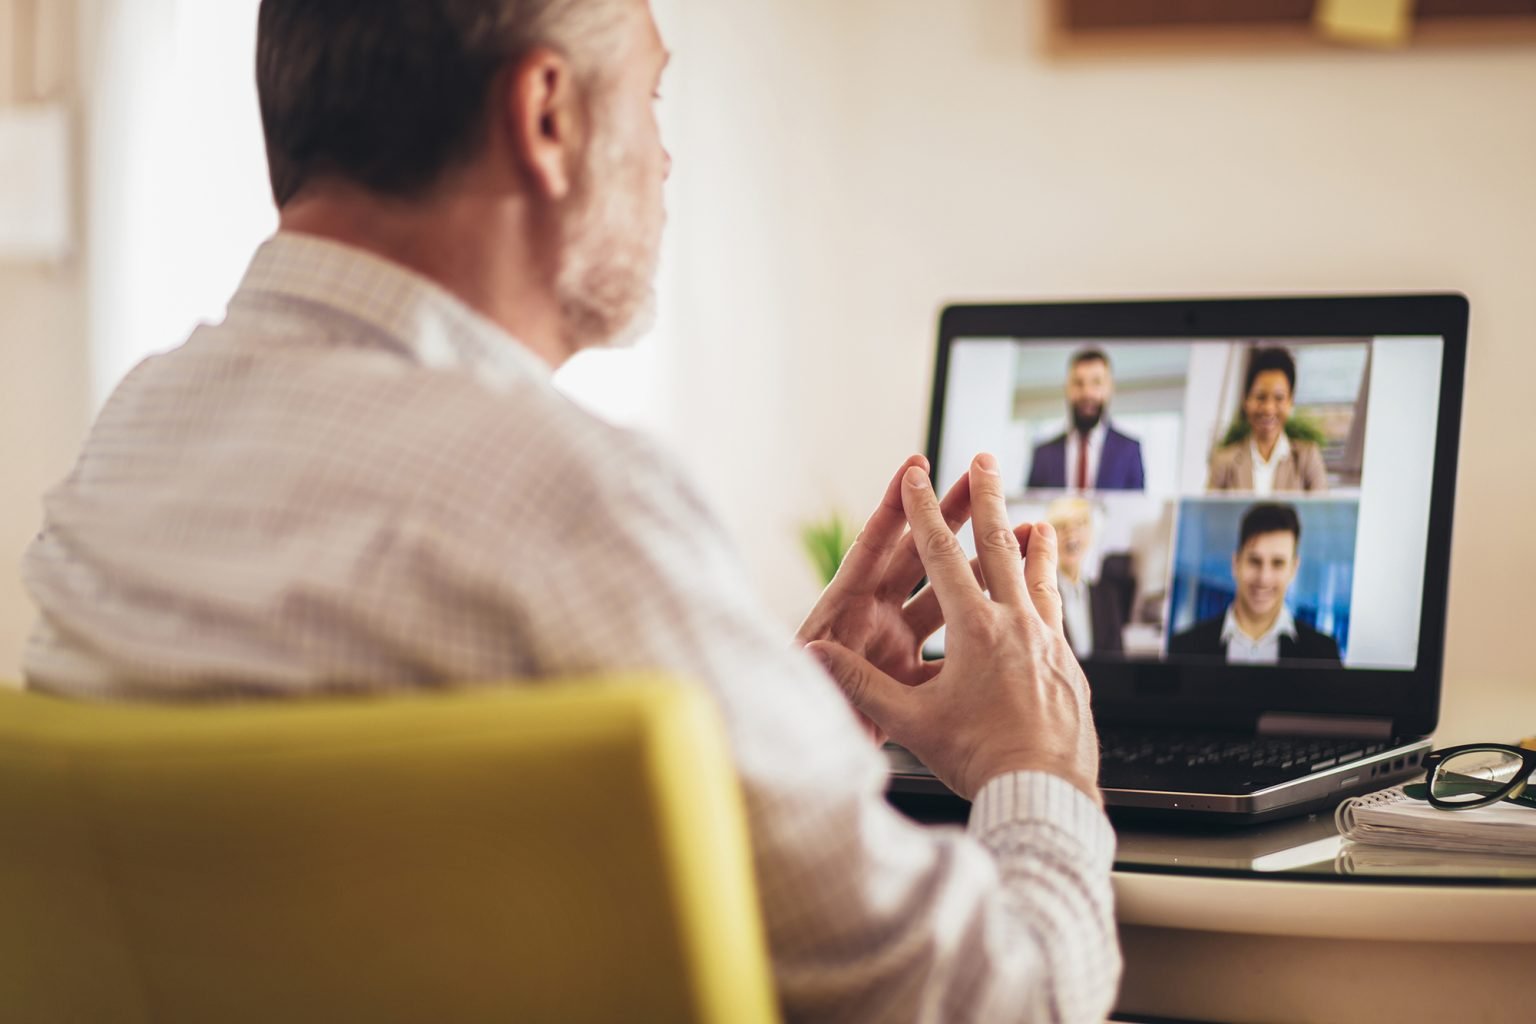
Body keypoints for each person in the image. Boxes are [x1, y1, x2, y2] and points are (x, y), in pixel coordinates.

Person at [20, 2, 1119, 1020]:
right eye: (648, 97)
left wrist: (769, 708)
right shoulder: (569, 500)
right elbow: (1000, 1004)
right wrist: (1040, 761)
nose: (665, 156)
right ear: (547, 117)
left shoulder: (133, 438)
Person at [1168, 503, 1341, 665]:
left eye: (1278, 563)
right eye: (1254, 561)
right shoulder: (1184, 647)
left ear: (1293, 569)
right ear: (1236, 564)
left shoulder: (1323, 653)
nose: (1264, 578)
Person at [1206, 346, 1328, 494]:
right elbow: (1208, 516)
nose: (1268, 409)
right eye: (1260, 397)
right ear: (1246, 400)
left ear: (1290, 402)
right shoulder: (1224, 462)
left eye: (1279, 398)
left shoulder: (1307, 459)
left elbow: (1322, 515)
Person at [1025, 348, 1145, 492]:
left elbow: (1136, 510)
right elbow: (1031, 508)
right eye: (1078, 383)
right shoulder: (1043, 453)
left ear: (1110, 389)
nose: (1087, 392)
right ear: (1067, 389)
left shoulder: (1129, 449)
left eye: (1097, 383)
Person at [1048, 497, 1125, 659]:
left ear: (1090, 533)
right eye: (1062, 526)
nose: (1070, 533)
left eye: (1078, 524)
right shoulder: (1040, 597)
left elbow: (1118, 658)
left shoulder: (1107, 596)